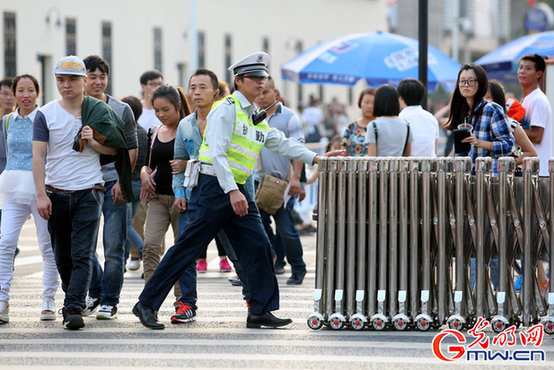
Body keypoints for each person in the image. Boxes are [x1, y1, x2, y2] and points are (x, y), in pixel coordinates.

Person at [133, 51, 343, 330]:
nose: (261, 83)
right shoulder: (226, 109)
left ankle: (260, 310)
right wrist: (232, 191)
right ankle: (146, 304)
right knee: (187, 248)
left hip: (237, 189)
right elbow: (217, 154)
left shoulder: (253, 116)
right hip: (215, 188)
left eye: (263, 78)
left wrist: (316, 159)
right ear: (239, 80)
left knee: (259, 247)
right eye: (255, 78)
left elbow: (280, 142)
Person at [32, 55, 123, 330]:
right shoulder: (45, 113)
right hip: (56, 191)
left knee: (82, 253)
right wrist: (40, 195)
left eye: (72, 79)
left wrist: (94, 142)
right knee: (62, 254)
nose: (66, 85)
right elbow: (38, 156)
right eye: (61, 79)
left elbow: (115, 149)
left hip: (90, 190)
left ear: (84, 81)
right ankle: (75, 297)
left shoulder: (97, 110)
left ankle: (72, 308)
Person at [170, 68, 247, 324]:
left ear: (215, 92)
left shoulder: (228, 118)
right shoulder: (185, 125)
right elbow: (178, 163)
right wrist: (179, 192)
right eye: (192, 87)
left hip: (226, 195)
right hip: (194, 197)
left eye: (202, 87)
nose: (196, 92)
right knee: (186, 251)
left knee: (238, 251)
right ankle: (187, 304)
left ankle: (252, 298)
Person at [81, 55, 138, 320]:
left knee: (114, 245)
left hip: (113, 181)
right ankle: (96, 290)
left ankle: (110, 301)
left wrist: (120, 181)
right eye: (92, 76)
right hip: (83, 183)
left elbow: (131, 148)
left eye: (102, 76)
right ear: (83, 79)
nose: (97, 81)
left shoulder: (121, 108)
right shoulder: (74, 108)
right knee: (82, 246)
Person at [0, 74, 59, 324]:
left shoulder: (45, 119)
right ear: (14, 94)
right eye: (20, 90)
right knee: (5, 243)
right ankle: (2, 299)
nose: (25, 95)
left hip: (40, 189)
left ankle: (48, 300)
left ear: (38, 93)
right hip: (12, 188)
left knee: (47, 246)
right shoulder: (5, 121)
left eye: (30, 90)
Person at [140, 85, 191, 299]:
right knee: (150, 246)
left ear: (178, 106)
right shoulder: (154, 132)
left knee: (181, 251)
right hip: (157, 198)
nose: (160, 115)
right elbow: (147, 164)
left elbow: (205, 161)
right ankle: (151, 299)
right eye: (157, 110)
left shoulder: (191, 131)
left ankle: (183, 301)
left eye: (165, 110)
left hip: (184, 200)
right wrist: (143, 173)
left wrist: (187, 164)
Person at [255, 76, 307, 284]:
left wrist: (296, 179)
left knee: (286, 228)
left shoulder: (289, 117)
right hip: (257, 183)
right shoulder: (251, 116)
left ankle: (298, 267)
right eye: (258, 91)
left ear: (276, 92)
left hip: (282, 185)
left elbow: (298, 150)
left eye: (266, 91)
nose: (261, 96)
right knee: (260, 227)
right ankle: (274, 261)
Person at [517, 54, 551, 294]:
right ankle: (539, 277)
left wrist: (512, 129)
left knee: (536, 227)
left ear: (539, 73)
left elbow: (537, 136)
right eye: (520, 68)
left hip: (539, 174)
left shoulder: (538, 100)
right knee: (530, 227)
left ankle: (540, 278)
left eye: (527, 68)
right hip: (531, 172)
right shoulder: (526, 99)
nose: (522, 72)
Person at [444, 64, 514, 173]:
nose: (466, 85)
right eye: (462, 81)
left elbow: (508, 146)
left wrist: (478, 142)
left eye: (471, 81)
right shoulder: (461, 111)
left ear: (481, 83)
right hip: (467, 177)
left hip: (490, 177)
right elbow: (459, 153)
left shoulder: (492, 109)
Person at [121, 96, 147, 271]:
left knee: (124, 224)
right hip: (140, 182)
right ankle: (121, 262)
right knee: (125, 224)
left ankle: (144, 250)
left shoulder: (124, 133)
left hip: (128, 183)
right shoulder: (144, 132)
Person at [486, 80, 537, 165]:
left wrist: (508, 165)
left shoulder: (510, 125)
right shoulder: (476, 124)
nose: (483, 101)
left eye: (487, 98)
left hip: (506, 176)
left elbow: (531, 153)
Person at [366, 84, 412, 157]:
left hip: (380, 167)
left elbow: (372, 158)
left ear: (378, 102)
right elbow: (407, 156)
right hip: (399, 167)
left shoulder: (373, 125)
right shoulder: (406, 125)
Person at [397, 78, 439, 157]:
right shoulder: (431, 118)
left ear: (400, 98)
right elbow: (434, 148)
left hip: (408, 166)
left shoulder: (400, 119)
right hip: (430, 165)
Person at [341, 88, 375, 156]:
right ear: (360, 103)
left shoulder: (380, 127)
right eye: (366, 102)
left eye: (373, 103)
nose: (370, 106)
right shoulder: (351, 127)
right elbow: (342, 151)